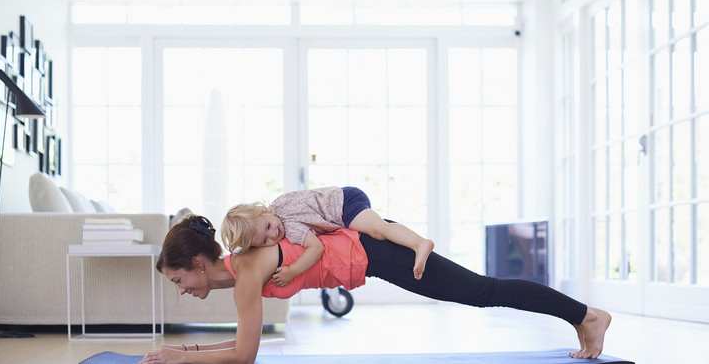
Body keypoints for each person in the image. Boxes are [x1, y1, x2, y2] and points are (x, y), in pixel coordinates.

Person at [140, 215, 611, 364]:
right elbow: (247, 344)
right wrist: (190, 349)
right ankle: (580, 316)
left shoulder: (243, 274)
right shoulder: (243, 269)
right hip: (372, 257)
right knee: (482, 290)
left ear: (198, 265)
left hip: (378, 252)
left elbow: (244, 358)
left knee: (482, 291)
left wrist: (182, 357)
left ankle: (586, 314)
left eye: (179, 280)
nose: (181, 291)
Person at [220, 186, 434, 282]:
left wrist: (293, 270)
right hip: (344, 195)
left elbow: (316, 248)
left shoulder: (289, 225)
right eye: (265, 240)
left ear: (263, 210)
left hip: (344, 204)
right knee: (377, 230)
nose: (273, 234)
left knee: (379, 230)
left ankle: (419, 244)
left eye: (268, 226)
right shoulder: (280, 203)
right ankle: (417, 243)